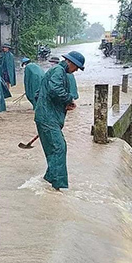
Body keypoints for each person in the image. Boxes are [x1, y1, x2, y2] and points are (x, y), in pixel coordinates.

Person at [34, 51, 85, 191]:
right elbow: (55, 90)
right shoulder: (58, 71)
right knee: (59, 147)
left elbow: (39, 94)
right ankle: (58, 187)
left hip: (47, 116)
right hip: (47, 118)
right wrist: (68, 99)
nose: (76, 71)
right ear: (71, 63)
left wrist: (63, 104)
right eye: (76, 68)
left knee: (53, 149)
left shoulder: (59, 72)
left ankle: (49, 179)